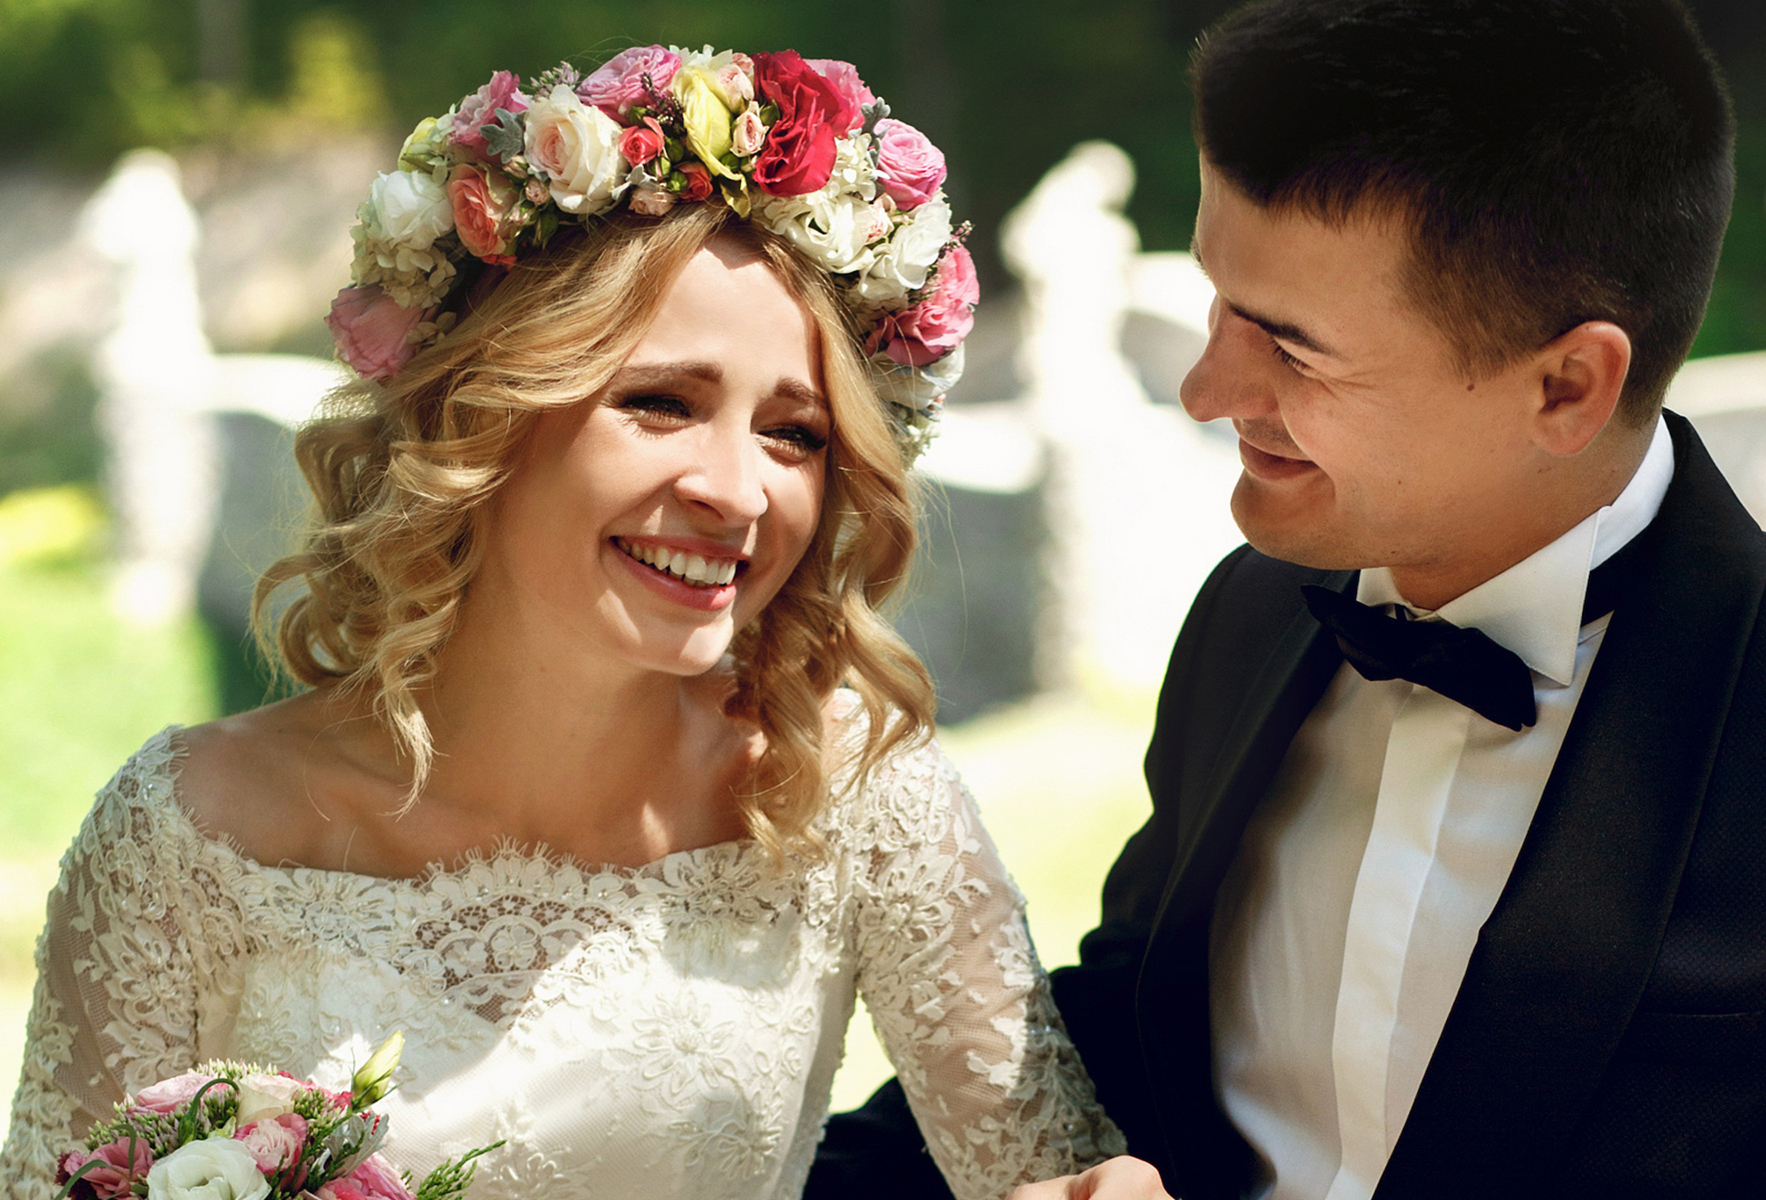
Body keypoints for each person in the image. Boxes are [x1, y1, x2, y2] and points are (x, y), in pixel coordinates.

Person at [808, 1, 1766, 1197]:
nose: (1203, 389)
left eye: (1291, 348)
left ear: (1566, 385)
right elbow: (1136, 1024)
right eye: (1219, 302)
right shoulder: (1251, 613)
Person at [0, 46, 1131, 1200]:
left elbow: (1063, 1183)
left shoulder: (853, 793)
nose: (738, 493)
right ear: (481, 414)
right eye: (661, 403)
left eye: (794, 435)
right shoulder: (185, 835)